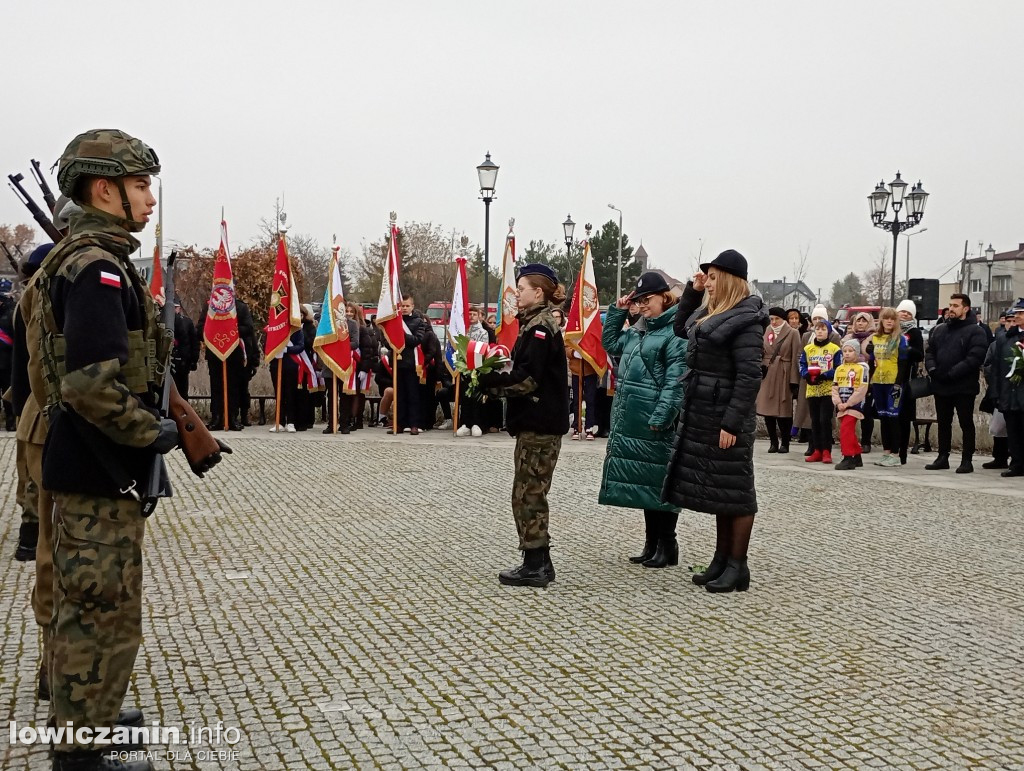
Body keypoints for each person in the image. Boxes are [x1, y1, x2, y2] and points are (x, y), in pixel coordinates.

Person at [39, 129, 180, 771]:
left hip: (95, 468)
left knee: (101, 605)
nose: (150, 198)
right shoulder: (95, 266)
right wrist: (158, 433)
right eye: (141, 185)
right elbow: (92, 386)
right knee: (97, 612)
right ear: (105, 190)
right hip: (96, 467)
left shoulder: (92, 257)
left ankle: (92, 719)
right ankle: (80, 753)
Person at [663, 250, 767, 593]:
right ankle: (722, 561)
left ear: (728, 279)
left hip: (726, 416)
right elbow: (681, 328)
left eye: (712, 276)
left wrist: (732, 423)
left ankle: (738, 565)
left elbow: (749, 376)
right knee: (723, 492)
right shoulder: (713, 311)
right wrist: (692, 293)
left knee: (737, 493)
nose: (706, 280)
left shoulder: (747, 318)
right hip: (705, 410)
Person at [477, 264, 569, 588]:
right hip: (535, 423)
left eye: (522, 287)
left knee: (528, 494)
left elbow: (528, 379)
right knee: (528, 492)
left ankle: (535, 566)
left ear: (538, 292)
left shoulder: (540, 328)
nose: (517, 294)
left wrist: (490, 383)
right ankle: (540, 561)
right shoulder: (533, 324)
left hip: (539, 424)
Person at [599, 272, 687, 568]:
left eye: (647, 299)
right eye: (639, 300)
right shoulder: (639, 331)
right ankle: (651, 543)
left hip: (654, 421)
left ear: (665, 296)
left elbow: (676, 381)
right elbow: (611, 343)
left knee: (661, 484)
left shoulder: (674, 334)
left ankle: (667, 544)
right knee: (646, 484)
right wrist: (618, 311)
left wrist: (663, 415)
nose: (643, 304)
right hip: (635, 419)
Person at [924, 293, 989, 473]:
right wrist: (933, 370)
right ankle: (942, 457)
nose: (951, 309)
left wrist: (953, 373)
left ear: (965, 309)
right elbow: (930, 352)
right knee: (943, 422)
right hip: (941, 384)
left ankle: (966, 460)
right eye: (950, 305)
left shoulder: (976, 331)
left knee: (965, 422)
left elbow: (975, 357)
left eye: (955, 306)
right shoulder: (940, 330)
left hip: (963, 386)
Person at [985, 300, 1024, 477]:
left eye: (1021, 313)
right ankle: (1016, 464)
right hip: (1009, 393)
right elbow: (997, 370)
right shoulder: (1005, 339)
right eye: (1015, 314)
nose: (1016, 316)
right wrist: (996, 393)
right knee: (1013, 431)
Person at [755, 306, 801, 453]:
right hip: (768, 372)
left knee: (783, 412)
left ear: (783, 319)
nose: (773, 322)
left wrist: (794, 380)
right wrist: (761, 366)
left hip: (784, 372)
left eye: (777, 319)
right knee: (767, 410)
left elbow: (796, 356)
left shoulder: (792, 333)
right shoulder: (766, 330)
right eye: (772, 319)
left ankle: (785, 443)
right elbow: (761, 350)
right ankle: (773, 442)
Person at [866, 308, 908, 467]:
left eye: (892, 319)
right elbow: (871, 362)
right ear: (881, 321)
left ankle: (896, 454)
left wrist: (898, 383)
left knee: (893, 418)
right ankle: (886, 452)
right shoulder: (875, 338)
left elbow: (903, 364)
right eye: (886, 319)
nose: (889, 322)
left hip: (893, 382)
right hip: (878, 382)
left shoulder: (900, 339)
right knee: (883, 418)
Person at [800, 319, 841, 464]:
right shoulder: (808, 349)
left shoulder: (834, 349)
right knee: (815, 420)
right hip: (812, 389)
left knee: (825, 420)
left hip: (827, 389)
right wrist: (807, 376)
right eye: (818, 329)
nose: (820, 332)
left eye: (823, 329)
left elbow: (838, 368)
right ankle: (816, 449)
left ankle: (826, 451)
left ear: (828, 331)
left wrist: (825, 375)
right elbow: (802, 365)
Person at [394, 294, 430, 434]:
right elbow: (386, 341)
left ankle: (414, 423)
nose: (404, 308)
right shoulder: (395, 321)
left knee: (413, 395)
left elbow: (417, 339)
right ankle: (399, 423)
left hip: (412, 363)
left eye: (407, 306)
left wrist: (400, 336)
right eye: (402, 306)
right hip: (397, 363)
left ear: (412, 307)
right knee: (399, 395)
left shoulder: (419, 322)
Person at [832, 340, 870, 470]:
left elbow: (862, 389)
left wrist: (849, 403)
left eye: (850, 351)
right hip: (842, 404)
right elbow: (835, 387)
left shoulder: (862, 368)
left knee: (846, 429)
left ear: (857, 352)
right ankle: (857, 455)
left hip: (855, 405)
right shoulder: (839, 369)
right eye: (845, 351)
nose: (847, 354)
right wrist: (838, 402)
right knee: (847, 431)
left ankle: (848, 457)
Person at [895, 300, 926, 464]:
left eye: (908, 313)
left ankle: (902, 452)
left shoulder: (914, 332)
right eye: (903, 311)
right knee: (891, 416)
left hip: (906, 378)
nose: (905, 315)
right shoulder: (891, 328)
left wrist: (907, 350)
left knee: (904, 417)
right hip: (890, 376)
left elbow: (920, 354)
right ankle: (891, 449)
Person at [841, 312, 876, 452]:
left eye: (864, 321)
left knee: (867, 411)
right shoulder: (848, 338)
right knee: (848, 411)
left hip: (868, 377)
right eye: (858, 321)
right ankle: (849, 440)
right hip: (848, 379)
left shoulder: (874, 338)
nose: (860, 323)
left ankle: (866, 441)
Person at [456, 304, 492, 437]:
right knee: (465, 396)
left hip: (477, 367)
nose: (471, 317)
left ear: (479, 316)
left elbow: (483, 348)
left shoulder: (483, 332)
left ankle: (477, 423)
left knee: (476, 395)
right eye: (469, 314)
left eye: (474, 314)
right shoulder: (463, 330)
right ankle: (465, 423)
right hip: (464, 367)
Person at [170, 296, 199, 400]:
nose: (173, 311)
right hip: (169, 361)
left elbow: (194, 342)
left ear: (179, 309)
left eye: (175, 308)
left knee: (182, 392)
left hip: (183, 362)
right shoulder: (163, 321)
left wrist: (193, 360)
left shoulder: (187, 323)